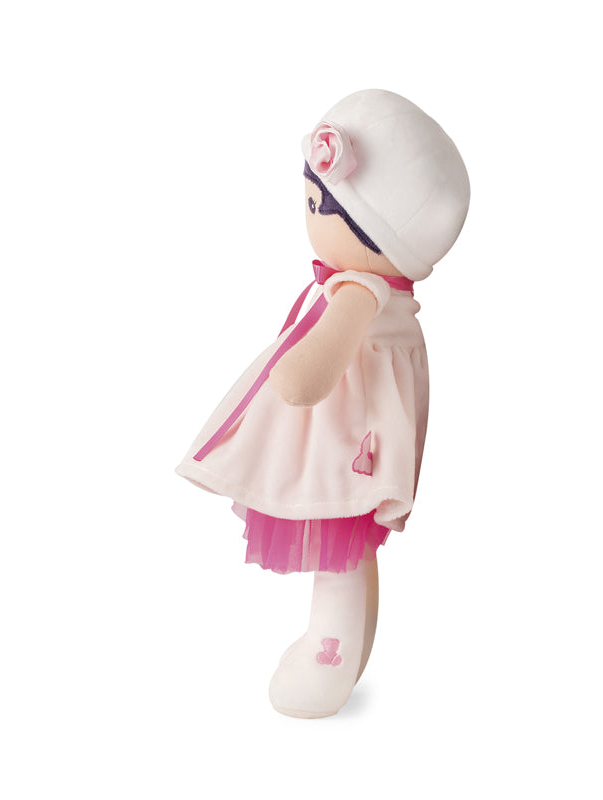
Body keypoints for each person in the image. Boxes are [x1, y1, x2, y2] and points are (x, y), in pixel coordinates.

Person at [177, 89, 470, 717]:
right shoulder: (381, 292)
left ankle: (329, 653)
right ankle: (350, 650)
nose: (310, 218)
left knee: (337, 540)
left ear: (373, 228)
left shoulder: (359, 291)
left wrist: (293, 373)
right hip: (364, 427)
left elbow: (306, 379)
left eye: (320, 205)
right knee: (353, 548)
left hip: (344, 439)